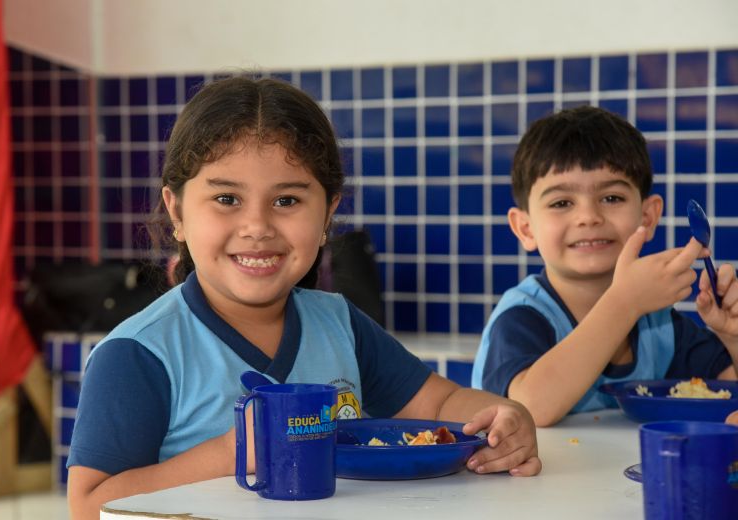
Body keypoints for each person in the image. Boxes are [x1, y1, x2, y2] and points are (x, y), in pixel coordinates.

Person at [67, 77, 541, 519]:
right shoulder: (140, 353)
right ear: (177, 212)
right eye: (227, 199)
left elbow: (442, 405)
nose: (257, 227)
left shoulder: (338, 324)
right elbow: (88, 504)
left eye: (287, 200)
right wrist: (239, 451)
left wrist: (505, 417)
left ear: (328, 213)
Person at [471, 106, 738, 427]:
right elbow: (530, 408)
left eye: (611, 198)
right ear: (525, 228)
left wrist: (732, 338)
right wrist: (624, 303)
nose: (589, 216)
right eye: (561, 203)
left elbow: (727, 393)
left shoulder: (662, 328)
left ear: (648, 216)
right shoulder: (522, 317)